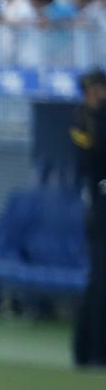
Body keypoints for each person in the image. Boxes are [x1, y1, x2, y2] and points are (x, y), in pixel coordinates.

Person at [73, 68, 106, 368]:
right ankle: (92, 351)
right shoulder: (85, 119)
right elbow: (87, 162)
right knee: (100, 279)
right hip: (99, 206)